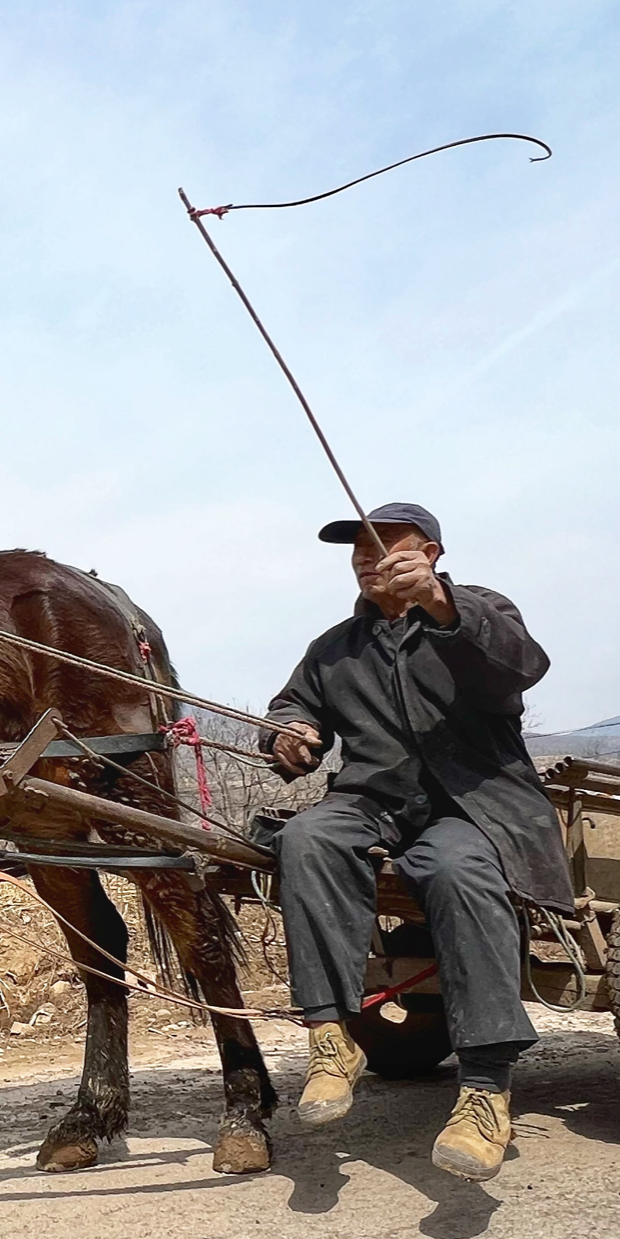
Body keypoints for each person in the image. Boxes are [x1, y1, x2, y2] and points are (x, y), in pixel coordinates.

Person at [259, 502, 575, 1180]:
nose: (369, 562)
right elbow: (291, 710)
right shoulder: (335, 648)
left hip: (475, 803)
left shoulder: (477, 613)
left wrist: (439, 603)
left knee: (458, 871)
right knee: (307, 837)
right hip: (372, 800)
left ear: (429, 552)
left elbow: (520, 668)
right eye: (359, 553)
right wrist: (287, 738)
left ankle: (486, 1090)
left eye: (387, 550)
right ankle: (329, 1040)